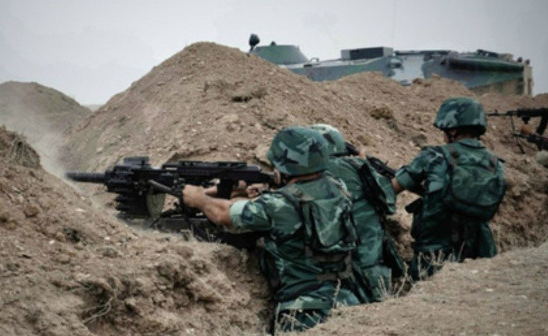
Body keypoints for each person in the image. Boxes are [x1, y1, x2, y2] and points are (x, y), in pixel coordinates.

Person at [182, 126, 360, 333]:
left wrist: (198, 198)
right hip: (346, 301)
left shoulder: (279, 205)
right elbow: (304, 197)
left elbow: (223, 214)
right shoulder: (338, 187)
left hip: (304, 313)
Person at [391, 97, 506, 280]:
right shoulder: (496, 164)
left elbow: (391, 189)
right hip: (481, 256)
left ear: (452, 129)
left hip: (434, 257)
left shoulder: (434, 156)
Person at [309, 124, 401, 303]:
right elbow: (388, 201)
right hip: (370, 264)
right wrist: (364, 164)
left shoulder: (307, 174)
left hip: (328, 271)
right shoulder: (358, 167)